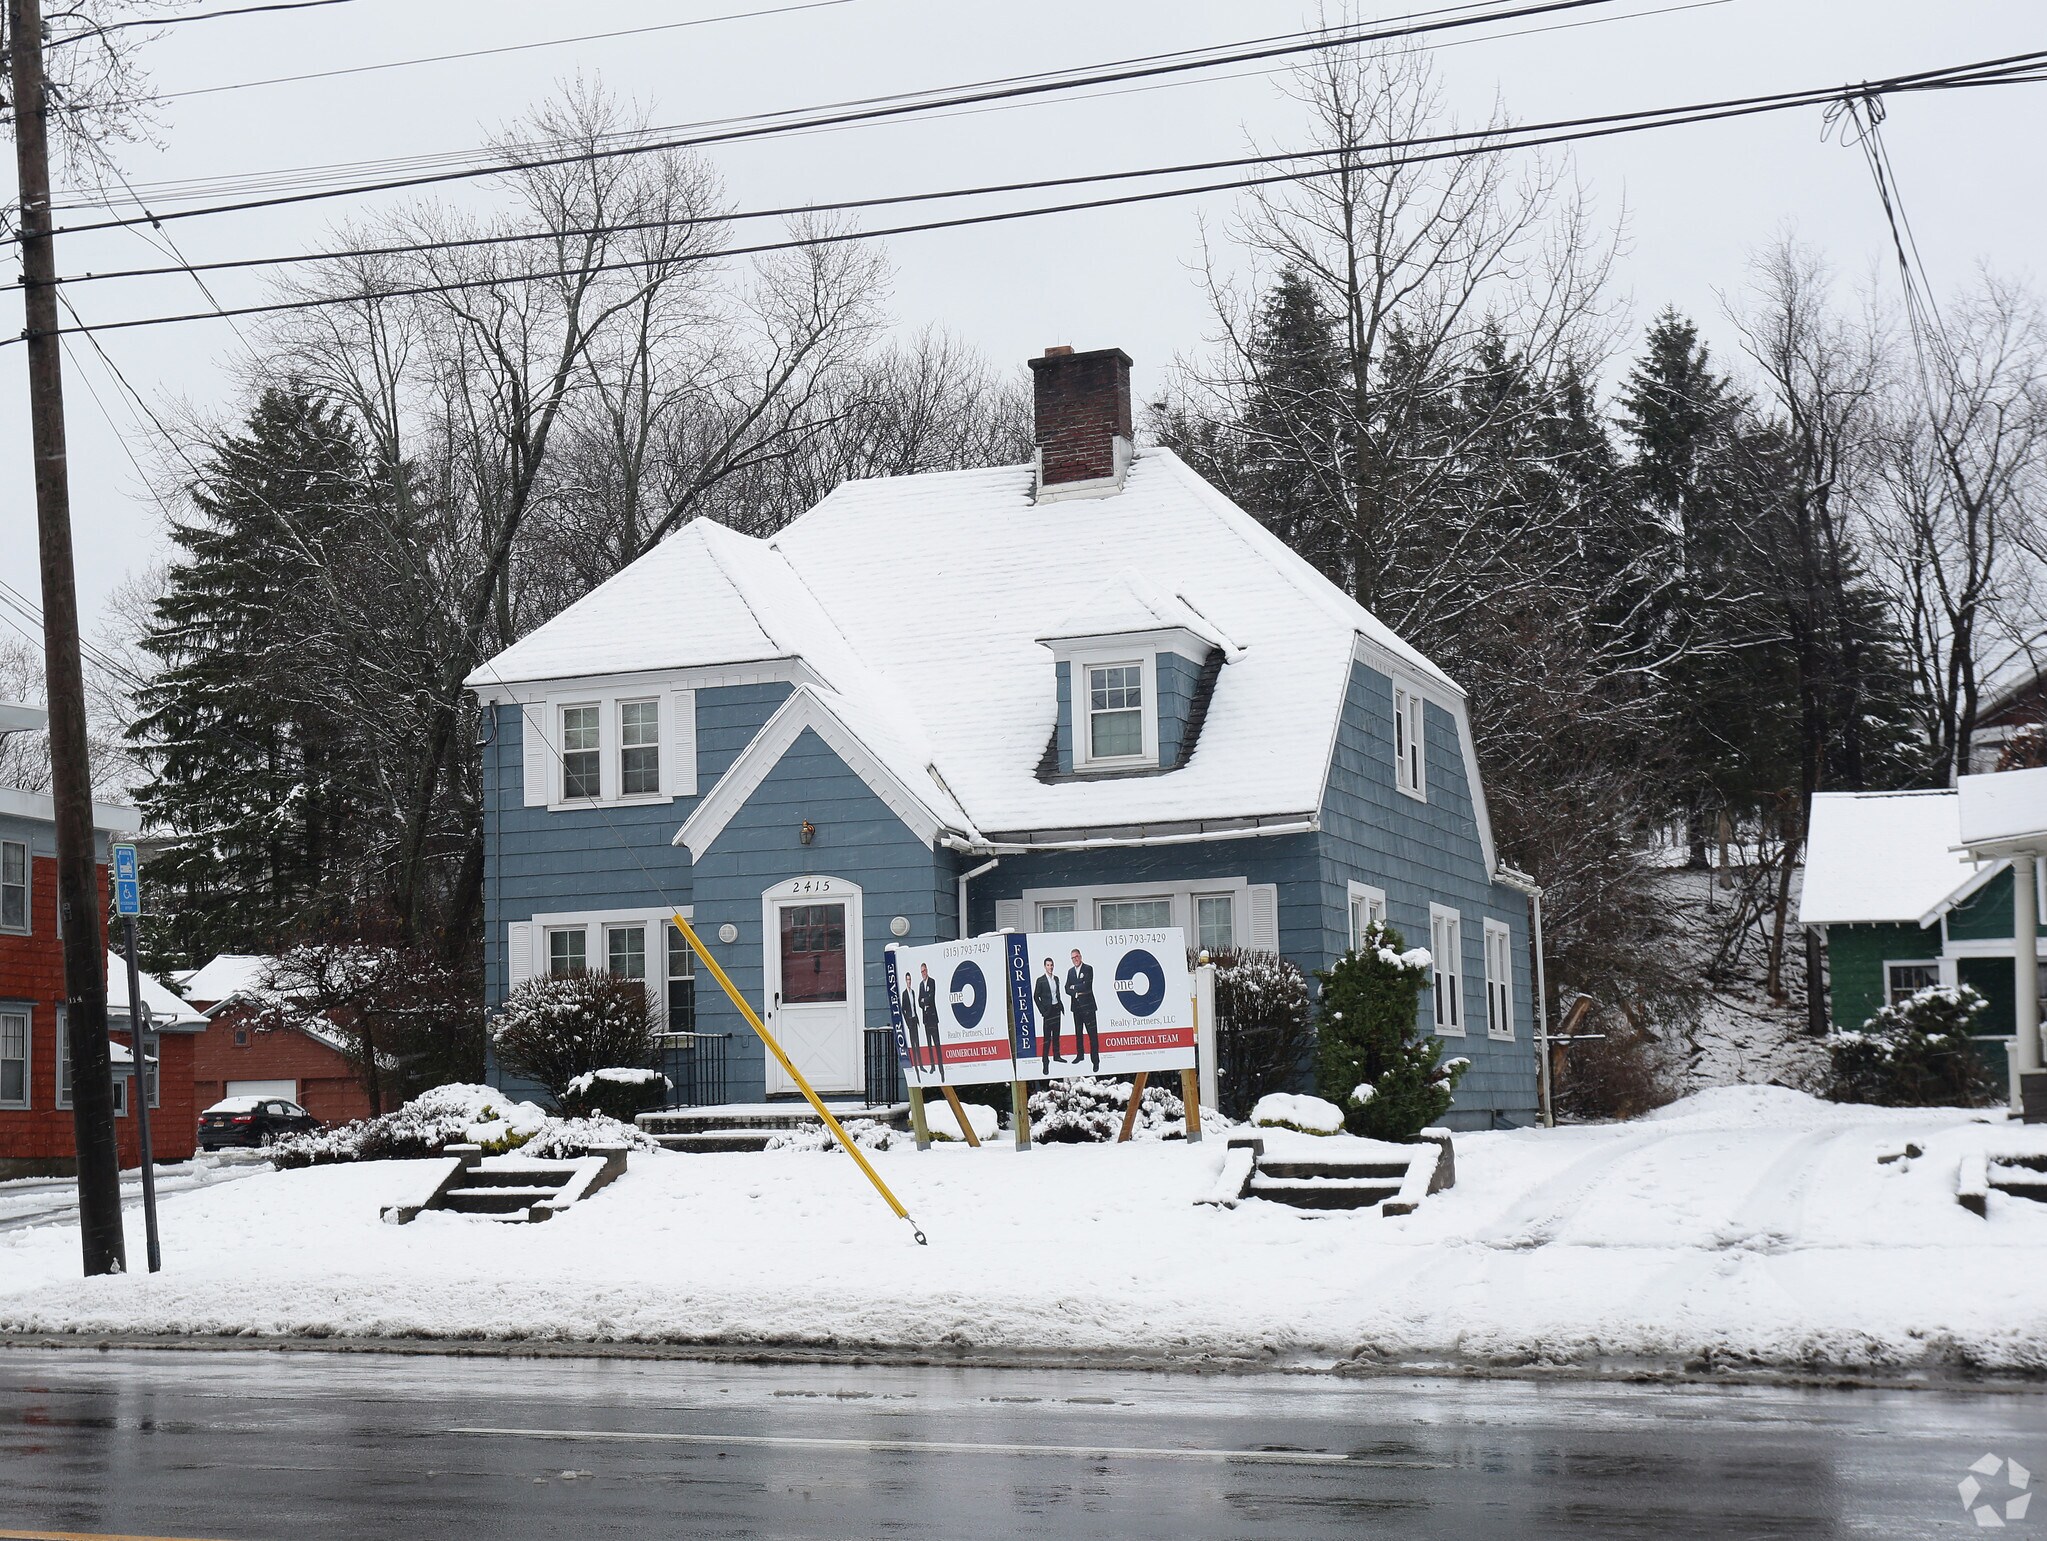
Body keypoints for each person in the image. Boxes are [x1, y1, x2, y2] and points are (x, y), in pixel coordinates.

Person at [1065, 948, 1100, 1072]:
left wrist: (1074, 987)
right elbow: (1066, 988)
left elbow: (1087, 985)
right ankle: (1080, 1055)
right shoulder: (1070, 972)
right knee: (1078, 1033)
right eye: (1073, 958)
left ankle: (1095, 1061)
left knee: (1092, 1035)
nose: (1075, 959)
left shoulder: (1088, 969)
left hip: (1088, 1007)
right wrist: (1076, 991)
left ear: (1081, 956)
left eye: (1077, 957)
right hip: (1076, 1007)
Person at [1032, 957, 1065, 1073]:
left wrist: (1060, 1006)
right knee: (1047, 1038)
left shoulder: (1056, 978)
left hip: (1056, 1009)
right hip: (1048, 1011)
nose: (1050, 967)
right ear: (1044, 966)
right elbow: (1036, 996)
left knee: (1056, 1035)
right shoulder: (1040, 980)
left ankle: (1057, 1056)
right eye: (1048, 965)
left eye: (1051, 965)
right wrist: (1043, 1010)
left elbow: (1057, 993)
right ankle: (1045, 1061)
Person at [917, 963, 944, 1080]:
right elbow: (919, 1001)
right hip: (925, 1019)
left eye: (924, 971)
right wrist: (923, 1002)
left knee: (937, 1043)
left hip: (933, 1018)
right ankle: (932, 1065)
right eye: (921, 972)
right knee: (929, 1044)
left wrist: (925, 1000)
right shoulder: (920, 985)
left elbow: (931, 997)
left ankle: (941, 1068)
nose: (923, 973)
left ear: (927, 971)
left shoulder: (931, 982)